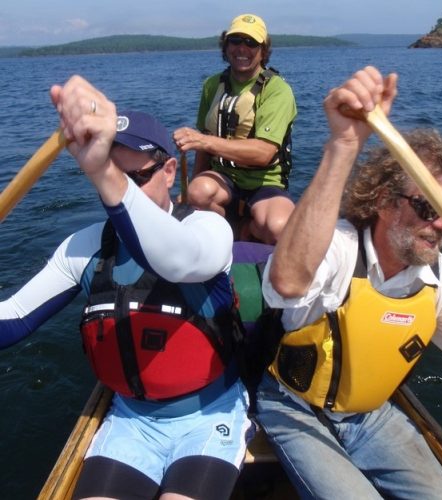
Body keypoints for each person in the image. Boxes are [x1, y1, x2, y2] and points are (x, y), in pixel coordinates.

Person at [0, 76, 254, 500]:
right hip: (131, 421)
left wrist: (102, 171)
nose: (116, 191)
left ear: (170, 171)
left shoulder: (207, 228)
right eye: (108, 176)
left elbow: (175, 259)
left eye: (132, 177)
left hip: (208, 415)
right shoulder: (84, 247)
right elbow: (12, 322)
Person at [256, 65, 442, 499]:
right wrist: (345, 145)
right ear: (385, 202)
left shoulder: (439, 276)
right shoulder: (340, 247)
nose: (438, 224)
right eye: (426, 206)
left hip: (372, 413)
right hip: (294, 407)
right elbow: (286, 282)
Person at [173, 13, 297, 244]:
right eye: (236, 40)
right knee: (197, 194)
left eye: (251, 43)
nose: (242, 48)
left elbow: (264, 153)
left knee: (279, 228)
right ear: (226, 45)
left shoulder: (277, 90)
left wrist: (204, 141)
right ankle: (229, 226)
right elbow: (204, 142)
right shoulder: (213, 85)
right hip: (223, 177)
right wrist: (191, 193)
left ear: (263, 50)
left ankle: (248, 227)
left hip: (264, 182)